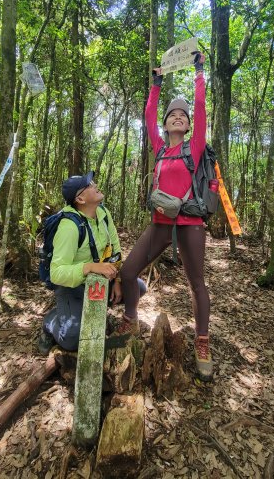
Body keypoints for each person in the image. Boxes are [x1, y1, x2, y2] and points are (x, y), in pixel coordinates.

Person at [117, 52, 213, 381]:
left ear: (187, 125)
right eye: (172, 115)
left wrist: (199, 72)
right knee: (129, 271)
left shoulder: (194, 145)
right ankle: (130, 320)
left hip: (190, 225)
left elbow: (200, 110)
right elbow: (147, 116)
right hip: (160, 223)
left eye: (181, 116)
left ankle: (202, 343)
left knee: (196, 284)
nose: (176, 118)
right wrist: (156, 84)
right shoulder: (159, 147)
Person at [38, 171, 146, 354]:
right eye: (89, 185)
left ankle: (93, 309)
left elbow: (115, 250)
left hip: (100, 280)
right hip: (73, 286)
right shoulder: (69, 228)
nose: (95, 185)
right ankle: (51, 321)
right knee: (72, 339)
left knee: (138, 288)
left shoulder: (103, 213)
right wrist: (89, 267)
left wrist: (118, 280)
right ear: (80, 200)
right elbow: (56, 273)